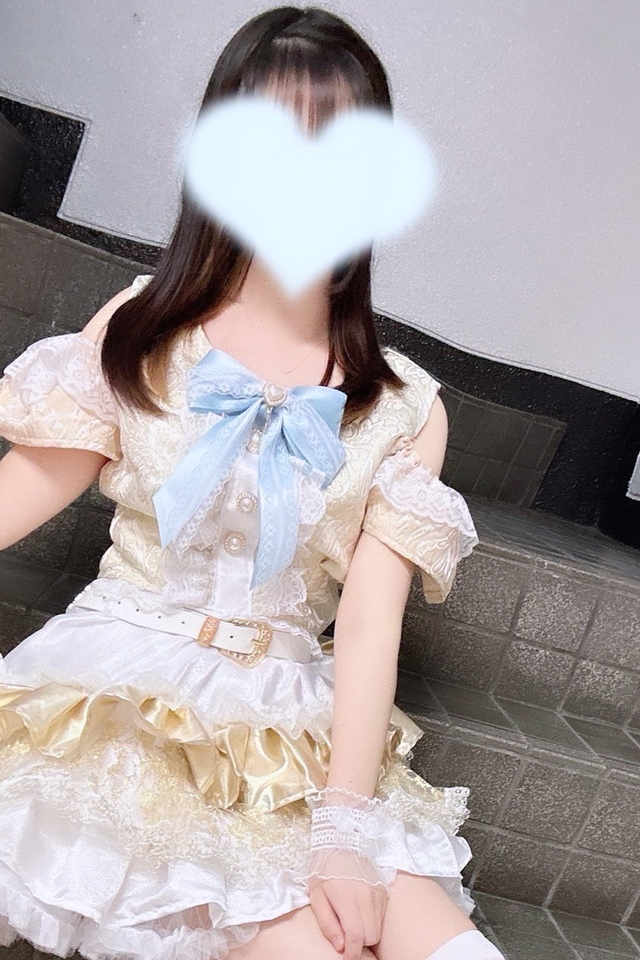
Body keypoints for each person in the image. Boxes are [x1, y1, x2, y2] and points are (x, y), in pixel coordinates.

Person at [0, 7, 505, 960]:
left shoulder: (406, 407)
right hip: (114, 700)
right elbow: (21, 490)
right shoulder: (141, 331)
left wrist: (343, 832)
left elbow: (369, 627)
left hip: (290, 732)